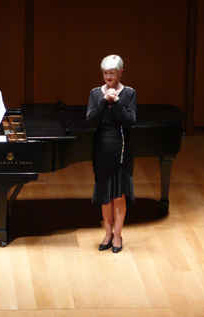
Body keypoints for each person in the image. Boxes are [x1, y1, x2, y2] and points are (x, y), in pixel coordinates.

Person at [86, 55, 137, 253]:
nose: (108, 77)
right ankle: (107, 233)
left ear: (120, 73)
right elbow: (91, 120)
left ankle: (117, 235)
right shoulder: (95, 93)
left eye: (112, 73)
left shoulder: (130, 93)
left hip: (122, 150)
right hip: (101, 149)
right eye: (106, 73)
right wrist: (103, 102)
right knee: (104, 195)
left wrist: (115, 103)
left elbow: (130, 120)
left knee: (118, 195)